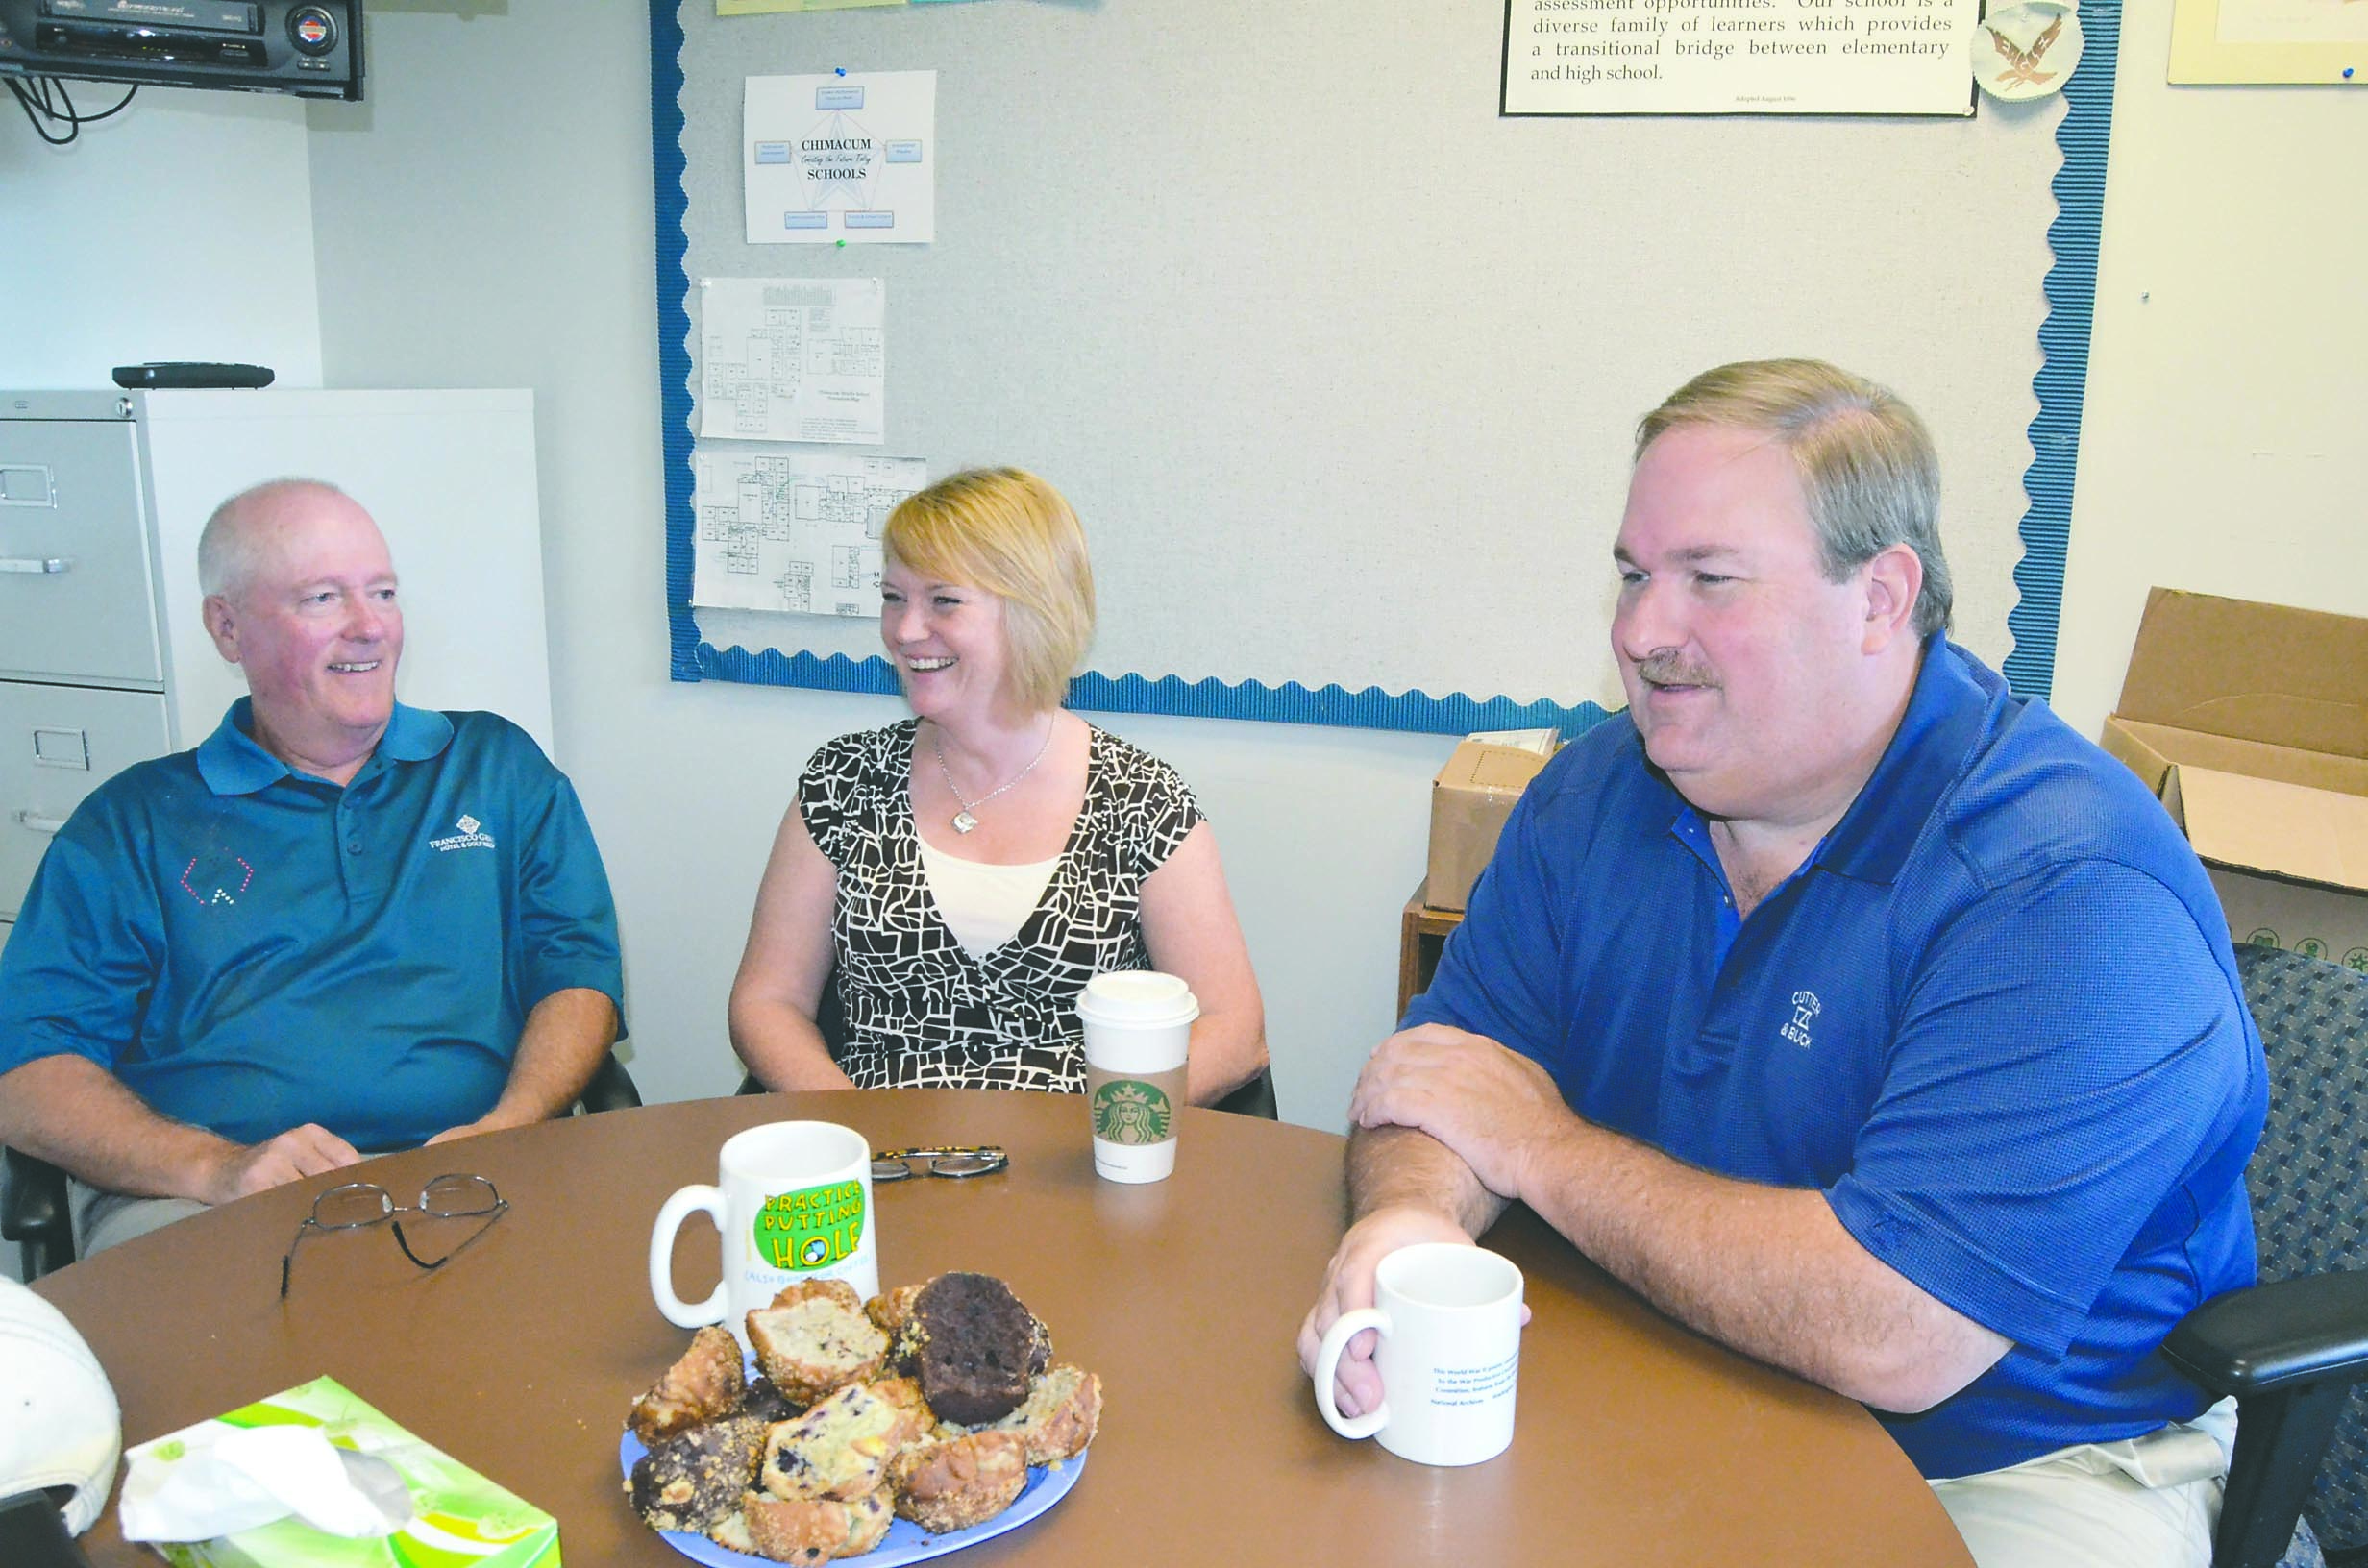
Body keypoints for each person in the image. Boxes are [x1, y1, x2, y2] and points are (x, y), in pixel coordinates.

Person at [1295, 361, 2265, 1568]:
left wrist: (1539, 1148)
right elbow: (1441, 1080)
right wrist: (1408, 1226)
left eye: (1709, 580)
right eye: (1635, 575)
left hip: (2011, 1462)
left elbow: (1896, 1332)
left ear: (1879, 598)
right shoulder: (1598, 793)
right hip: (1659, 1358)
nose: (1643, 632)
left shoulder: (2067, 891)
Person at [0, 479, 624, 1256]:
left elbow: (576, 974)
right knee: (240, 1369)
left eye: (383, 592)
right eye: (323, 598)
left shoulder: (498, 770)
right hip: (215, 1203)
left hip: (474, 1175)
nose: (369, 628)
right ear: (227, 628)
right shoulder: (129, 824)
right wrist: (219, 1166)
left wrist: (511, 1125)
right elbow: (28, 1074)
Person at [731, 467, 1266, 1102]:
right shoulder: (843, 782)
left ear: (1032, 610)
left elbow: (1235, 1034)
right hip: (882, 1152)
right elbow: (769, 1001)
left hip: (1074, 1169)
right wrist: (851, 1123)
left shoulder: (1138, 797)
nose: (904, 631)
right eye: (893, 597)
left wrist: (1101, 1129)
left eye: (944, 601)